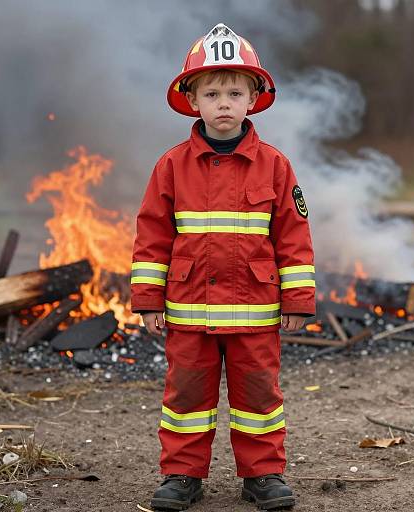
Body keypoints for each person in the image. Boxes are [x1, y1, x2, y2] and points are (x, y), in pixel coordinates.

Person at [131, 22, 316, 511]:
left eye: (235, 92)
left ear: (254, 99)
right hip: (189, 311)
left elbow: (293, 237)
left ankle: (263, 474)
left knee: (259, 397)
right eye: (211, 92)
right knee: (186, 398)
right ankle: (181, 475)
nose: (224, 103)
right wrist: (148, 300)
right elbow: (152, 237)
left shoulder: (275, 166)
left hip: (255, 311)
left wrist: (297, 299)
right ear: (192, 101)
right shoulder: (171, 166)